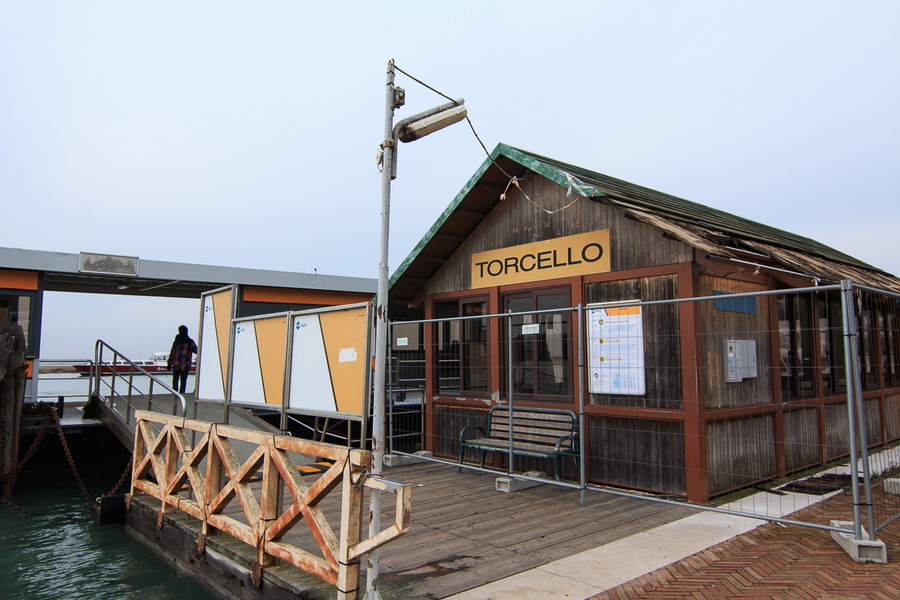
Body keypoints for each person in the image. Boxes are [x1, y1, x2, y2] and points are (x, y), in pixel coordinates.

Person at [167, 325, 197, 394]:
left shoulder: (176, 342)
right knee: (183, 380)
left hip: (176, 364)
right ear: (186, 331)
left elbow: (172, 353)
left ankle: (174, 393)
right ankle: (182, 393)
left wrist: (169, 363)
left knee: (175, 379)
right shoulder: (190, 342)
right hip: (185, 364)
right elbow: (196, 351)